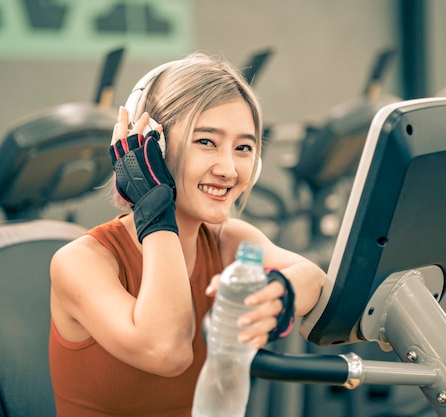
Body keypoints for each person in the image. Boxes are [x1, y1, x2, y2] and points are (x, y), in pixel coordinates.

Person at [48, 51, 326, 417]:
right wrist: (154, 207)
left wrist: (283, 293)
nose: (228, 169)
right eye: (206, 142)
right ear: (152, 147)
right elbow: (168, 350)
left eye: (243, 148)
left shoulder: (230, 241)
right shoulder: (80, 263)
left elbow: (318, 281)